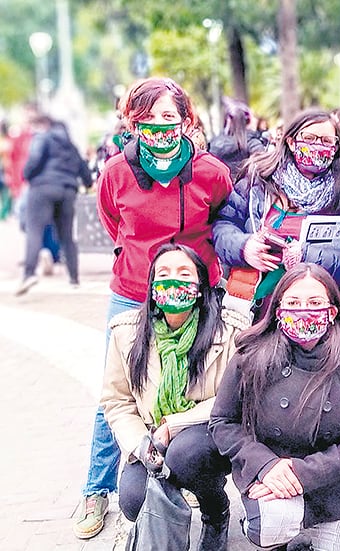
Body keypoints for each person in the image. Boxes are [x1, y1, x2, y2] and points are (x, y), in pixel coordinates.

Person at [74, 77, 232, 540]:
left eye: (169, 116)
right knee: (121, 388)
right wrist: (143, 262)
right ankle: (96, 489)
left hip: (198, 291)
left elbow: (224, 217)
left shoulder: (209, 171)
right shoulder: (116, 173)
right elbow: (112, 222)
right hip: (134, 290)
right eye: (147, 118)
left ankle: (194, 471)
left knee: (204, 380)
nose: (159, 127)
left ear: (186, 120)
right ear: (132, 122)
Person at [209, 263, 340, 551]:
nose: (304, 311)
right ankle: (283, 535)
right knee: (269, 525)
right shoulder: (251, 353)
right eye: (293, 303)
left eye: (315, 303)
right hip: (273, 477)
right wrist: (265, 465)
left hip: (338, 485)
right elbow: (223, 421)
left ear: (332, 311)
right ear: (278, 310)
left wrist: (301, 473)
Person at [101, 244, 249, 550]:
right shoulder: (126, 333)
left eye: (184, 274)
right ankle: (172, 522)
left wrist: (174, 425)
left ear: (200, 286)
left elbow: (234, 397)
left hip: (207, 435)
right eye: (163, 274)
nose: (173, 282)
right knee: (133, 498)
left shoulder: (229, 331)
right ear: (152, 287)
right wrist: (141, 445)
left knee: (186, 453)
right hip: (151, 436)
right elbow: (117, 402)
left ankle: (215, 511)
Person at [213, 108, 340, 319]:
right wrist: (244, 247)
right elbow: (223, 226)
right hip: (255, 306)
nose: (317, 146)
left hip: (319, 312)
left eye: (326, 141)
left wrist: (307, 257)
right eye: (309, 138)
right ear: (291, 142)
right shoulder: (258, 180)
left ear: (336, 147)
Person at [16, 116, 92, 295]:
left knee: (35, 230)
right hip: (67, 191)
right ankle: (74, 278)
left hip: (43, 188)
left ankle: (29, 274)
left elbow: (33, 161)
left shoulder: (43, 138)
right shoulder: (72, 147)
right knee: (66, 235)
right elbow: (87, 176)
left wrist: (27, 175)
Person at [209, 99, 268, 179]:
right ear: (248, 121)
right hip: (246, 185)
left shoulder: (214, 144)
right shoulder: (253, 144)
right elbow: (264, 170)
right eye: (253, 117)